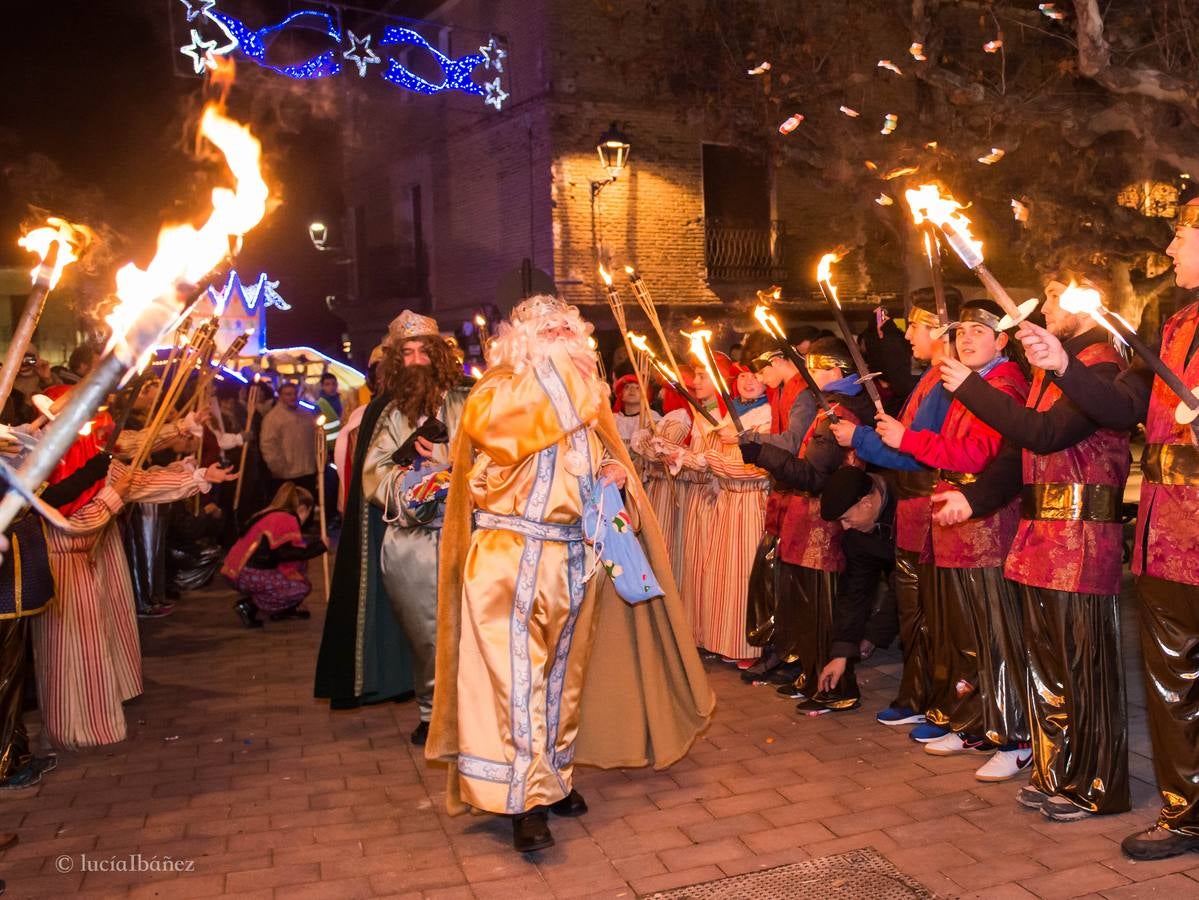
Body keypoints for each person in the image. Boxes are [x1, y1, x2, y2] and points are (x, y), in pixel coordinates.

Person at [426, 295, 713, 853]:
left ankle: (552, 780)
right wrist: (569, 377)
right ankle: (522, 799)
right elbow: (509, 432)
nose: (562, 335)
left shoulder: (583, 394)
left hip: (572, 559)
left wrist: (610, 469)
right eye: (548, 328)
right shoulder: (500, 389)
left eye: (568, 327)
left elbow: (590, 454)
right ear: (523, 337)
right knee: (516, 682)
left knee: (563, 675)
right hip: (509, 557)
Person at [1013, 195, 1199, 859]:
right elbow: (1121, 411)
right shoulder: (1174, 325)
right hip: (1166, 533)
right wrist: (1063, 367)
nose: (1172, 250)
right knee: (1175, 682)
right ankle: (1186, 812)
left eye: (1182, 235)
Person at [935, 273, 1130, 821]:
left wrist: (968, 388)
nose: (1043, 308)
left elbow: (1048, 435)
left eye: (1053, 298)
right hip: (1041, 537)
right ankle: (1059, 770)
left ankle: (1094, 782)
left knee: (1082, 665)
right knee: (1049, 667)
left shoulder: (1101, 365)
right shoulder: (1053, 370)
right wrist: (974, 502)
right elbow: (1019, 454)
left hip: (1082, 538)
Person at [875, 298, 1031, 781]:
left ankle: (1014, 737)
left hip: (986, 527)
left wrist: (910, 441)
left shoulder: (1003, 385)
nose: (965, 339)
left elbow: (977, 454)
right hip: (956, 525)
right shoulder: (971, 382)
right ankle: (973, 722)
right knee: (965, 636)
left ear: (1002, 340)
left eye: (978, 332)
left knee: (994, 636)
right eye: (960, 331)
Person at [33, 392, 236, 749]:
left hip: (97, 555)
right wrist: (112, 500)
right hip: (64, 570)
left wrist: (200, 475)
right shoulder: (35, 465)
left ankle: (103, 712)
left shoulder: (97, 459)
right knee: (73, 656)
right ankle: (74, 728)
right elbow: (64, 523)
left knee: (103, 640)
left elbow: (141, 481)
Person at [317, 311, 468, 743]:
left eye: (424, 350)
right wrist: (415, 483)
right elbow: (374, 473)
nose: (417, 359)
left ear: (439, 354)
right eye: (407, 352)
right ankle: (431, 711)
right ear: (396, 360)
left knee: (472, 628)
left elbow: (495, 456)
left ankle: (471, 710)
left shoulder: (469, 400)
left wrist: (452, 468)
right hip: (410, 543)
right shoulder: (386, 411)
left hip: (468, 533)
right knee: (425, 632)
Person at [830, 290, 955, 733]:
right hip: (913, 509)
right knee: (912, 613)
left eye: (916, 328)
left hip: (933, 507)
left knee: (933, 614)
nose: (909, 339)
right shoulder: (928, 379)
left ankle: (940, 701)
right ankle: (916, 693)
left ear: (940, 329)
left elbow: (922, 452)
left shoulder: (949, 381)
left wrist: (862, 439)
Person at [739, 337, 874, 712]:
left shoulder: (840, 415)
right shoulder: (827, 409)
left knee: (822, 610)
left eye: (815, 368)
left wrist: (763, 453)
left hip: (822, 527)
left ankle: (834, 687)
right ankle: (810, 675)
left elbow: (815, 476)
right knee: (805, 610)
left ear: (836, 371)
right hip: (804, 521)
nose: (809, 374)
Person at [673, 358, 771, 662]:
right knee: (722, 576)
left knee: (744, 576)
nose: (748, 381)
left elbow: (757, 467)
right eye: (743, 376)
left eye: (755, 375)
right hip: (725, 502)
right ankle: (722, 640)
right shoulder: (731, 413)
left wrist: (710, 462)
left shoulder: (767, 415)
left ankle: (749, 646)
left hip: (750, 502)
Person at [738, 347, 818, 679]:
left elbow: (794, 441)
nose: (758, 380)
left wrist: (752, 439)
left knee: (788, 578)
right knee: (770, 576)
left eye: (760, 371)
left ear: (776, 361)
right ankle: (778, 650)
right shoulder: (783, 391)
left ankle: (791, 655)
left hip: (799, 492)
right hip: (782, 492)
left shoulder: (802, 393)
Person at [815, 468, 898, 709]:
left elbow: (907, 586)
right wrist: (842, 652)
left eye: (847, 518)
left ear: (866, 502)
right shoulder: (857, 536)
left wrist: (874, 634)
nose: (845, 527)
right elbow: (855, 591)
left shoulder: (906, 501)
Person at [221, 484, 325, 628]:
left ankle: (284, 610)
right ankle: (250, 606)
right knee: (301, 587)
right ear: (302, 509)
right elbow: (284, 554)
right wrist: (319, 547)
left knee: (299, 568)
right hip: (247, 573)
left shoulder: (269, 514)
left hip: (237, 570)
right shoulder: (285, 519)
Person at [259, 381, 318, 499]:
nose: (293, 397)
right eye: (288, 394)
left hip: (308, 470)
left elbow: (315, 439)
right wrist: (278, 467)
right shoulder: (272, 418)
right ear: (280, 396)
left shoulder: (307, 415)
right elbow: (268, 445)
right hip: (286, 474)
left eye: (294, 393)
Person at [315, 372, 343, 452]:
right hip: (327, 447)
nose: (331, 387)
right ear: (322, 386)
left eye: (334, 384)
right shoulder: (319, 405)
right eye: (327, 384)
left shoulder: (343, 400)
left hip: (342, 443)